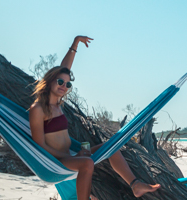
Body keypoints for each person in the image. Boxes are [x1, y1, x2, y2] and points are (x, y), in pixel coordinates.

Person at [29, 36, 160, 200]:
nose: (64, 86)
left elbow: (64, 69)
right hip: (55, 162)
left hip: (71, 156)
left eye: (68, 84)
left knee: (111, 147)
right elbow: (39, 145)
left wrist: (75, 44)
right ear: (49, 81)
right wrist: (70, 157)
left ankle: (135, 185)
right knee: (87, 163)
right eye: (60, 82)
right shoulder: (38, 109)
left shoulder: (57, 105)